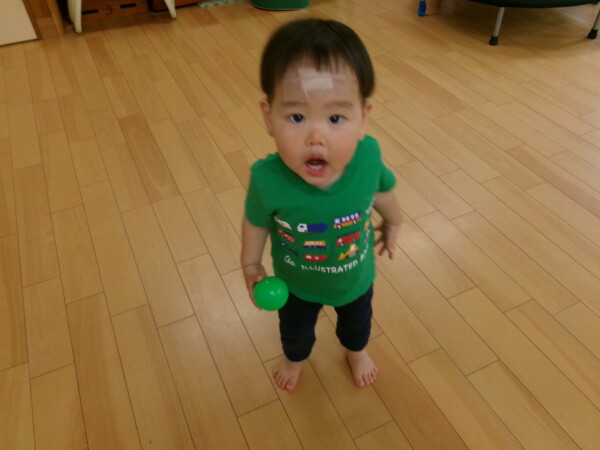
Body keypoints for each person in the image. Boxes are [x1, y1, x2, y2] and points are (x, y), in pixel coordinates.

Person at [241, 18, 402, 391]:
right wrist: (250, 263)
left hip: (355, 279)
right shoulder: (267, 179)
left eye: (335, 117)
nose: (316, 136)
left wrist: (394, 220)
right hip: (296, 284)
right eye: (297, 117)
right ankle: (295, 358)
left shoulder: (367, 157)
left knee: (358, 326)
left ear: (363, 119)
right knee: (294, 333)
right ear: (268, 117)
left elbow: (381, 190)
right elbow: (256, 222)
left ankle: (356, 351)